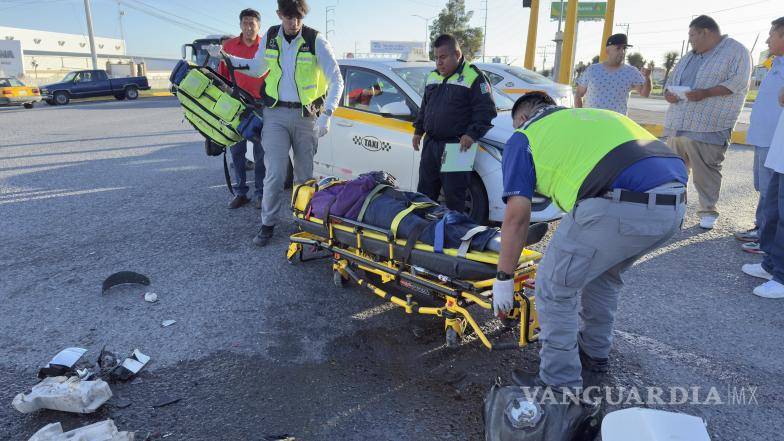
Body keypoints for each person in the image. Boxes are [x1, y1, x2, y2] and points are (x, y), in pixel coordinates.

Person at [493, 92, 687, 402]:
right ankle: (594, 353)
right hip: (674, 206)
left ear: (521, 119)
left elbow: (516, 217)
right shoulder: (596, 116)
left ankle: (559, 384)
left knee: (554, 287)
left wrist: (503, 278)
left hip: (617, 206)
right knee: (602, 275)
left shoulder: (524, 136)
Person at [208, 0, 344, 246]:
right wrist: (229, 59)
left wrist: (328, 114)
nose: (294, 23)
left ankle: (304, 221)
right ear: (279, 14)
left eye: (298, 18)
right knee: (275, 172)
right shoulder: (271, 36)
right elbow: (259, 67)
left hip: (306, 117)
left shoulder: (316, 40)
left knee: (304, 175)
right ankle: (267, 224)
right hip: (275, 114)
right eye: (289, 17)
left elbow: (337, 79)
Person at [664, 15, 751, 230]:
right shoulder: (689, 56)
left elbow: (738, 83)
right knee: (675, 171)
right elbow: (671, 82)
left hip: (710, 125)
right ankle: (675, 210)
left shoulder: (736, 51)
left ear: (706, 32)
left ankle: (708, 211)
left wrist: (706, 92)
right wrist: (669, 94)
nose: (690, 40)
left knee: (707, 171)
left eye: (692, 34)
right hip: (679, 123)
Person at [412, 34, 497, 213]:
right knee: (424, 196)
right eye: (436, 58)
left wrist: (471, 134)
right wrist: (418, 131)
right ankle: (423, 235)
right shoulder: (433, 77)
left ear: (457, 54)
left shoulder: (474, 77)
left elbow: (486, 111)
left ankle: (454, 238)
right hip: (431, 144)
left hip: (457, 146)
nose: (438, 63)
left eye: (443, 57)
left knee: (455, 198)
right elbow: (425, 107)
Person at [742, 18, 784, 299]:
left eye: (772, 34)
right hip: (778, 150)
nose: (768, 39)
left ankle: (781, 277)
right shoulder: (775, 64)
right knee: (772, 210)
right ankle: (771, 264)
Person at [219, 8, 268, 210]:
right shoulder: (229, 46)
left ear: (259, 25)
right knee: (236, 150)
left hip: (260, 106)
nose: (249, 27)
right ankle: (240, 192)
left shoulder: (265, 46)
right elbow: (221, 76)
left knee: (260, 153)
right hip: (235, 106)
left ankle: (260, 194)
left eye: (252, 23)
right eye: (245, 23)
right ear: (240, 25)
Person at [574, 33, 651, 115]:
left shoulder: (631, 72)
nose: (622, 52)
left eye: (624, 48)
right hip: (591, 123)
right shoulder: (592, 70)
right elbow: (579, 94)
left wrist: (647, 77)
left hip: (616, 125)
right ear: (607, 50)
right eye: (618, 48)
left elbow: (645, 93)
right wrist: (580, 116)